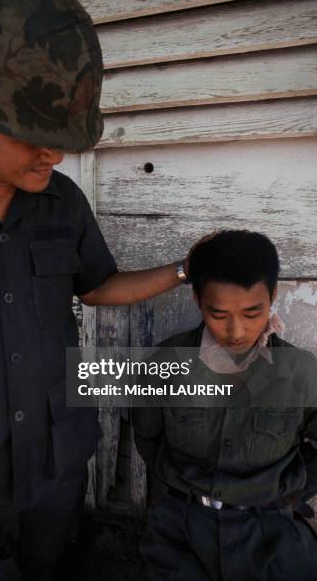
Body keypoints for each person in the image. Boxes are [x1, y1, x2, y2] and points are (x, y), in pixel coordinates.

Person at [0, 0, 189, 578]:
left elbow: (95, 286)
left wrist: (186, 269)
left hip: (53, 464)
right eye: (33, 137)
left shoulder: (62, 200)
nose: (54, 154)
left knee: (49, 564)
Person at [133, 230, 317, 581]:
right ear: (198, 300)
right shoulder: (165, 364)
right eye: (219, 314)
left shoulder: (302, 373)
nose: (237, 330)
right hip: (182, 532)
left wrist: (290, 490)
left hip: (273, 532)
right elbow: (148, 437)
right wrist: (183, 492)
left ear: (273, 297)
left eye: (252, 313)